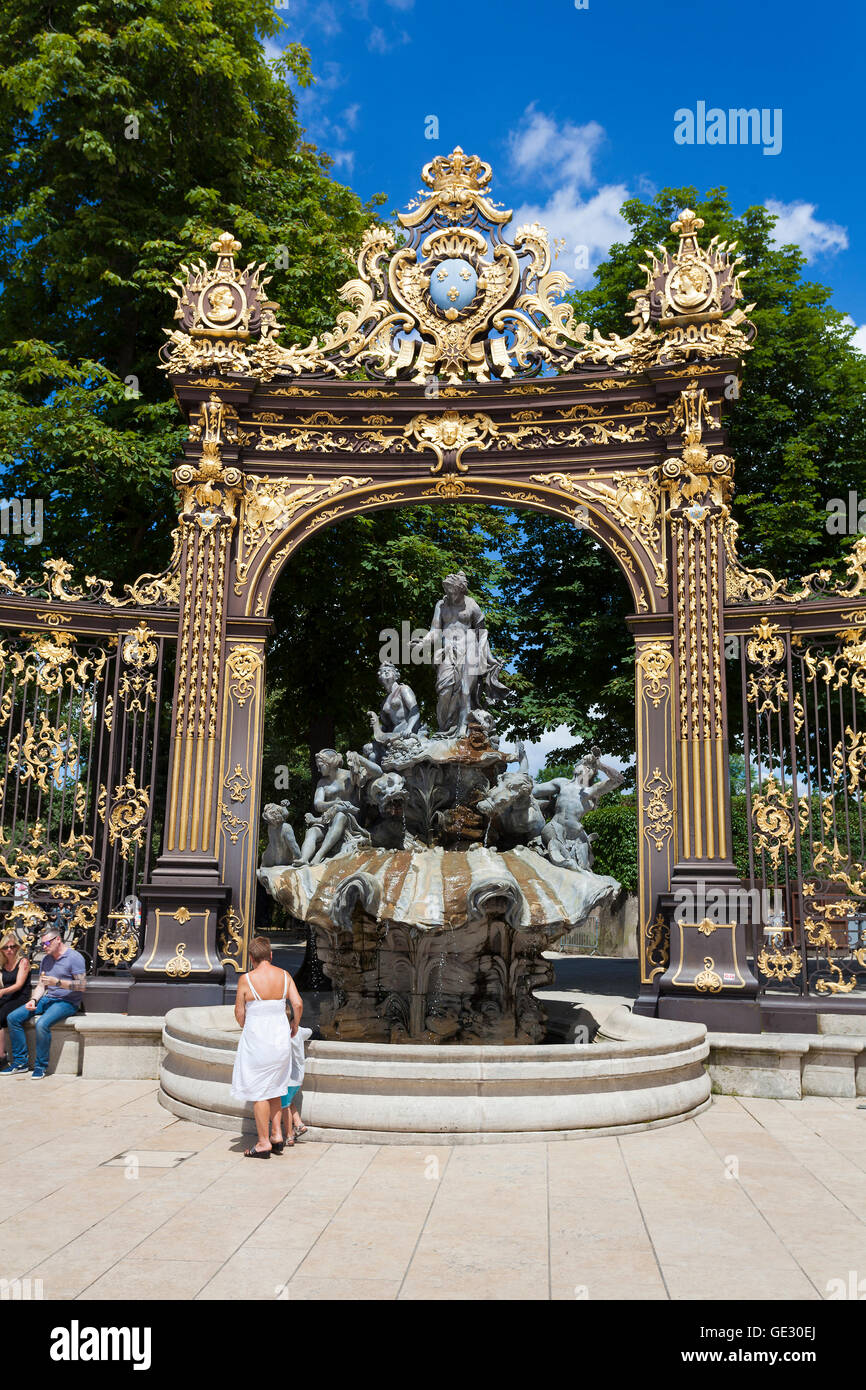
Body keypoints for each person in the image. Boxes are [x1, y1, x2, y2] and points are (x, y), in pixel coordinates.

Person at [231, 935, 304, 1158]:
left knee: (259, 1091)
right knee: (276, 1087)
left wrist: (248, 1025)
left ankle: (263, 1143)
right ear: (271, 955)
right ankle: (277, 1136)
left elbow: (239, 1013)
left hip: (257, 1041)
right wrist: (294, 1025)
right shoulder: (284, 976)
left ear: (251, 957)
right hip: (280, 1040)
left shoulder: (246, 979)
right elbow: (298, 1003)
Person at [2, 929, 85, 1078]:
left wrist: (58, 982)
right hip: (48, 998)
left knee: (42, 1024)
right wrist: (34, 1000)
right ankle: (20, 1062)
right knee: (13, 1018)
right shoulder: (47, 959)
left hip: (67, 1002)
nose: (44, 947)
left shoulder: (74, 957)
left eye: (47, 943)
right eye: (42, 944)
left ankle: (40, 1066)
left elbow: (81, 985)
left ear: (58, 939)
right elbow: (41, 985)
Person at [0, 934, 31, 1065]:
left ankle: (1, 1056)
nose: (9, 950)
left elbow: (18, 985)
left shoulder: (23, 962)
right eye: (5, 947)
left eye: (12, 947)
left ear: (17, 947)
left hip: (20, 997)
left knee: (1, 1015)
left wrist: (2, 992)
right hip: (6, 996)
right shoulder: (2, 964)